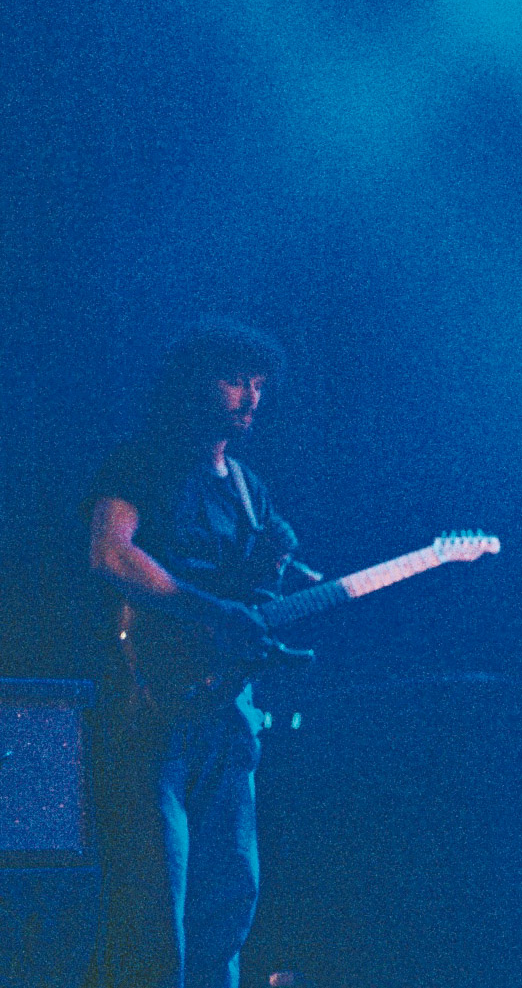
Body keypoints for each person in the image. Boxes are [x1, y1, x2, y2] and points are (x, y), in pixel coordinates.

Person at [86, 321, 312, 988]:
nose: (251, 397)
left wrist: (278, 581)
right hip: (148, 708)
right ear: (194, 382)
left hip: (227, 712)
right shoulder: (143, 461)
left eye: (259, 384)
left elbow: (254, 596)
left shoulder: (247, 486)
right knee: (154, 912)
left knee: (228, 900)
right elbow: (110, 552)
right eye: (236, 380)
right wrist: (214, 611)